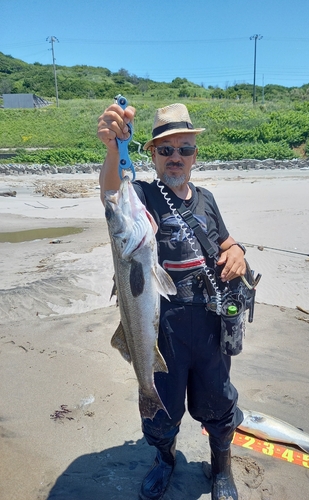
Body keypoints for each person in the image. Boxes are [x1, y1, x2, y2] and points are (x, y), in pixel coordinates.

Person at [98, 101, 247, 500]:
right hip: (163, 326)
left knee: (218, 402)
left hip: (211, 323)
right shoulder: (143, 195)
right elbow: (112, 192)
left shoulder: (208, 199)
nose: (176, 157)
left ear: (195, 155)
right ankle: (165, 459)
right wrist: (114, 149)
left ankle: (221, 468)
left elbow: (226, 240)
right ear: (153, 155)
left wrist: (237, 253)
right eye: (166, 150)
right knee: (161, 409)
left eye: (184, 149)